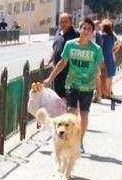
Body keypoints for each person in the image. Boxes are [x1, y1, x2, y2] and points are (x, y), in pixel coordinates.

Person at [43, 17, 107, 154]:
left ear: (92, 32)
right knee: (72, 114)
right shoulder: (70, 45)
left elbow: (100, 68)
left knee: (84, 115)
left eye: (89, 29)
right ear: (80, 29)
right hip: (71, 85)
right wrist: (50, 78)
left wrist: (101, 87)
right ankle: (70, 140)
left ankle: (80, 142)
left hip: (88, 87)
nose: (86, 31)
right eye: (84, 28)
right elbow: (62, 63)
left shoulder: (96, 49)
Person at [50, 13, 79, 99]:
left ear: (71, 22)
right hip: (58, 72)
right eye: (61, 21)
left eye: (66, 21)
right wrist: (49, 60)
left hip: (70, 73)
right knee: (59, 98)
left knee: (71, 99)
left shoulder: (76, 34)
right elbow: (54, 49)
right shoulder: (58, 33)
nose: (63, 23)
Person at [99, 19, 122, 107]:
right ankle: (108, 93)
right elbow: (119, 43)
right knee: (109, 77)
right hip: (110, 58)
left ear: (103, 27)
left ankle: (102, 93)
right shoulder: (112, 36)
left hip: (102, 58)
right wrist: (114, 50)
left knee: (102, 77)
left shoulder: (101, 36)